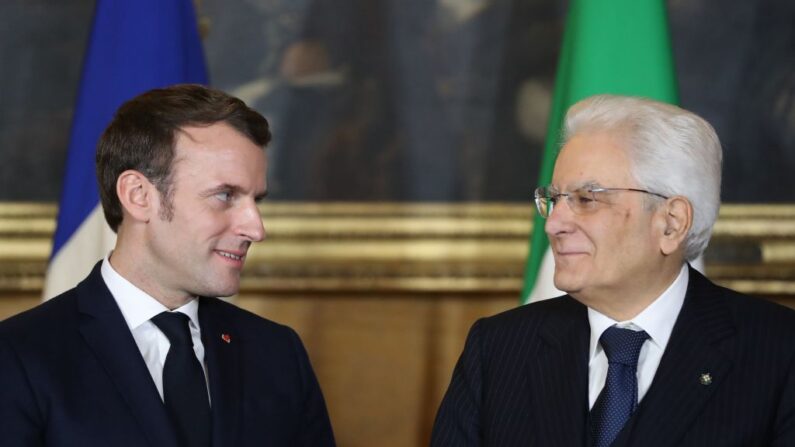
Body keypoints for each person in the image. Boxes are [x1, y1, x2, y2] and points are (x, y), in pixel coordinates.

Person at [431, 95, 795, 446]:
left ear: (671, 223)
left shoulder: (779, 353)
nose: (554, 224)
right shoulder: (497, 351)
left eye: (587, 199)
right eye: (554, 199)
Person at [0, 84, 335, 446]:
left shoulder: (277, 353)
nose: (256, 228)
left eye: (256, 200)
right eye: (225, 196)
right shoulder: (19, 357)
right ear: (139, 196)